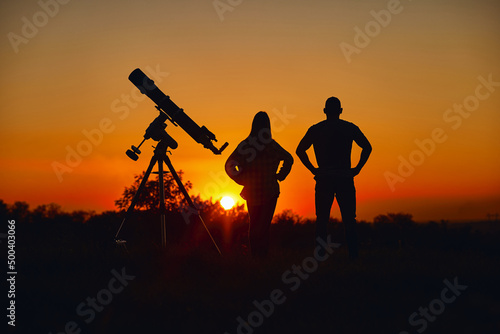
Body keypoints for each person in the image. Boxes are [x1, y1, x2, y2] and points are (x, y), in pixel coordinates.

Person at [296, 97, 372, 258]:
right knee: (349, 219)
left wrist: (313, 169)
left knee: (322, 220)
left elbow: (300, 150)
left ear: (324, 111)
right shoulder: (349, 128)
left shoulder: (316, 129)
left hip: (324, 179)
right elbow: (367, 147)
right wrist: (357, 168)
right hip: (345, 178)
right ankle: (353, 256)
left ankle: (319, 256)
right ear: (341, 111)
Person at [225, 111, 294, 257]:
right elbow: (289, 158)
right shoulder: (272, 146)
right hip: (270, 191)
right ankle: (262, 258)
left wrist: (240, 179)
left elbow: (229, 164)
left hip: (252, 191)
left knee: (254, 225)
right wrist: (281, 175)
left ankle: (256, 257)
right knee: (264, 226)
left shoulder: (245, 145)